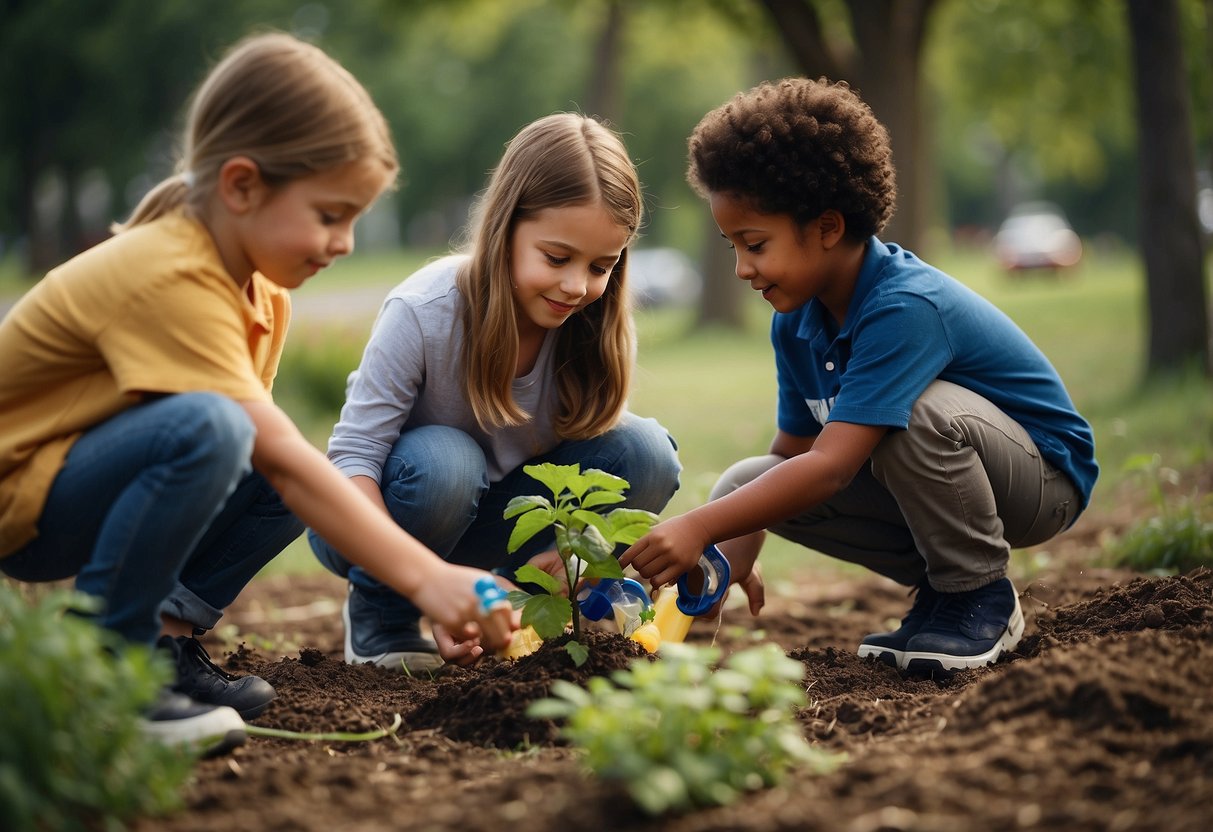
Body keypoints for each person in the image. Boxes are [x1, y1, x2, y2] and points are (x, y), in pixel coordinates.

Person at [0, 32, 514, 756]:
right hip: (20, 498)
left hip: (77, 487)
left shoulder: (262, 294)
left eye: (354, 219)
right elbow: (251, 445)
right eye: (330, 214)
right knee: (224, 432)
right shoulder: (169, 274)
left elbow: (268, 461)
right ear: (241, 185)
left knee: (270, 461)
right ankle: (104, 674)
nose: (345, 243)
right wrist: (426, 577)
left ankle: (161, 644)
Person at [621, 78, 1099, 673]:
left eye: (756, 243)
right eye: (731, 247)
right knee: (753, 477)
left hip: (1042, 482)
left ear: (826, 227)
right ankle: (942, 600)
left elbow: (831, 468)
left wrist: (694, 525)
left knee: (913, 417)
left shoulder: (903, 307)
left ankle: (979, 596)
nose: (743, 268)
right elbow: (793, 457)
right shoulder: (796, 321)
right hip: (952, 481)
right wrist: (725, 558)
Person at [308, 113, 682, 672]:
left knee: (647, 452)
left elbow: (601, 461)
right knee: (447, 462)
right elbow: (352, 460)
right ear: (505, 228)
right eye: (556, 258)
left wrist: (570, 554)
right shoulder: (425, 311)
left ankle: (503, 604)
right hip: (384, 515)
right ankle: (380, 614)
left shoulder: (593, 324)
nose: (577, 286)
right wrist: (427, 579)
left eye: (602, 266)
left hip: (494, 524)